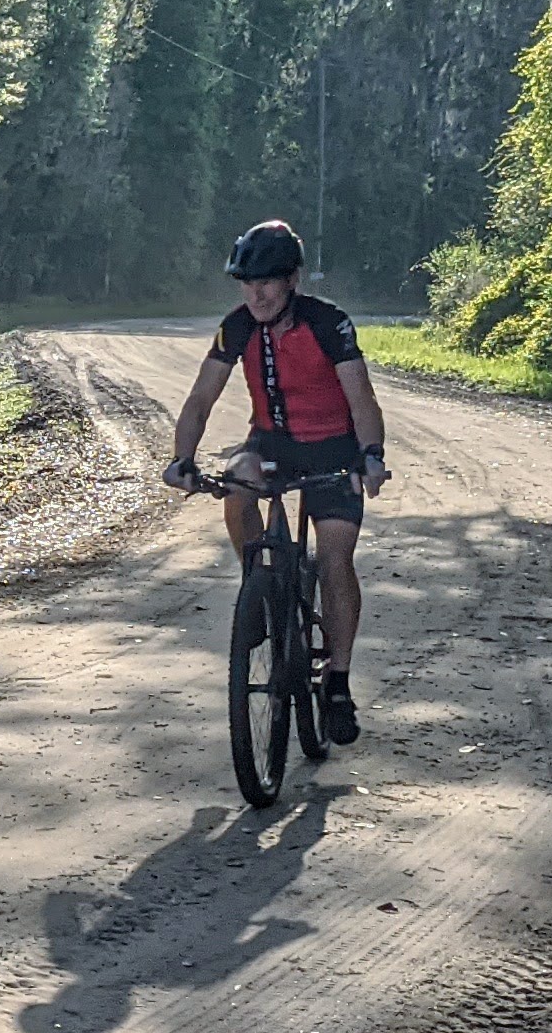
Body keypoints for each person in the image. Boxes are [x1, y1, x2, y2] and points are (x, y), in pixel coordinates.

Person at [164, 219, 390, 743]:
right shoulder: (237, 326)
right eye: (246, 281)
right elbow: (201, 399)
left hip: (334, 446)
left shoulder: (328, 323)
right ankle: (260, 590)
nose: (256, 292)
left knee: (335, 559)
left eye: (266, 280)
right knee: (237, 487)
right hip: (272, 443)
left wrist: (371, 455)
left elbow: (363, 400)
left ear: (292, 280)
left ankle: (337, 680)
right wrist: (183, 458)